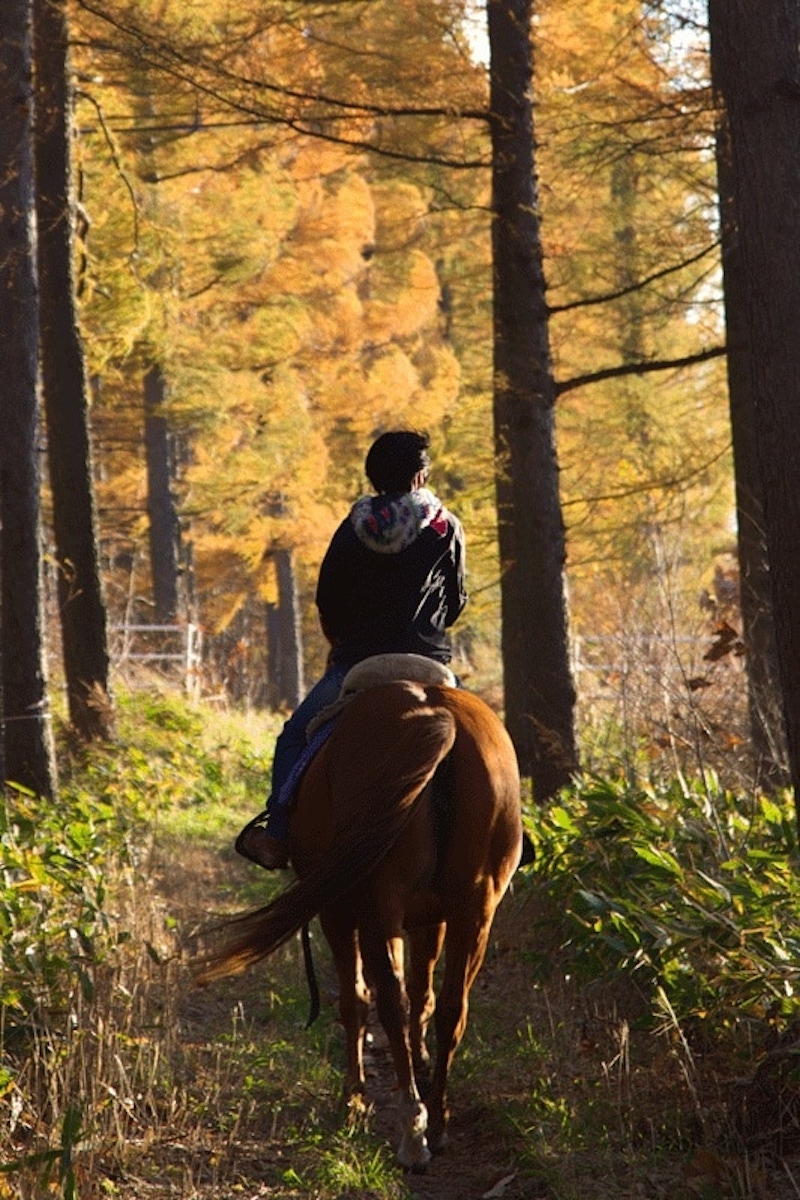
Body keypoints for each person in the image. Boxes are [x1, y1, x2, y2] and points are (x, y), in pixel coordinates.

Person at [236, 429, 467, 870]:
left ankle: (277, 836)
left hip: (359, 664)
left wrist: (343, 643)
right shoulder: (445, 526)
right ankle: (513, 827)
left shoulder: (352, 528)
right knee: (486, 735)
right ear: (421, 476)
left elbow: (328, 601)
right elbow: (455, 602)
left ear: (374, 476)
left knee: (293, 738)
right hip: (429, 665)